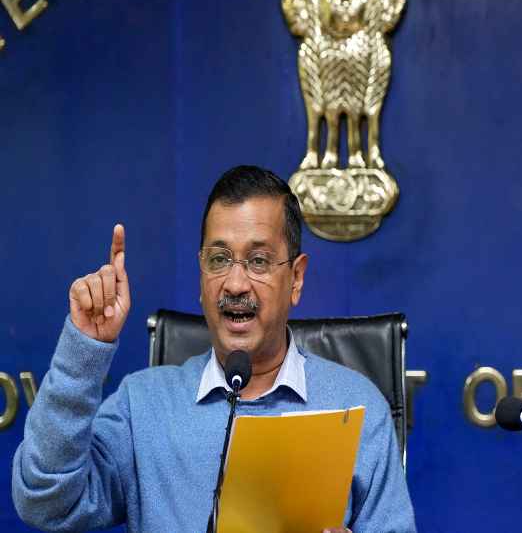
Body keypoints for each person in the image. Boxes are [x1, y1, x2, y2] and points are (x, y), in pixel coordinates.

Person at [12, 165, 416, 533]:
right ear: (201, 273)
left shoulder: (356, 407)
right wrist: (85, 350)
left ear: (295, 279)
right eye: (219, 259)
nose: (236, 284)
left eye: (258, 262)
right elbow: (44, 502)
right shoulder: (143, 406)